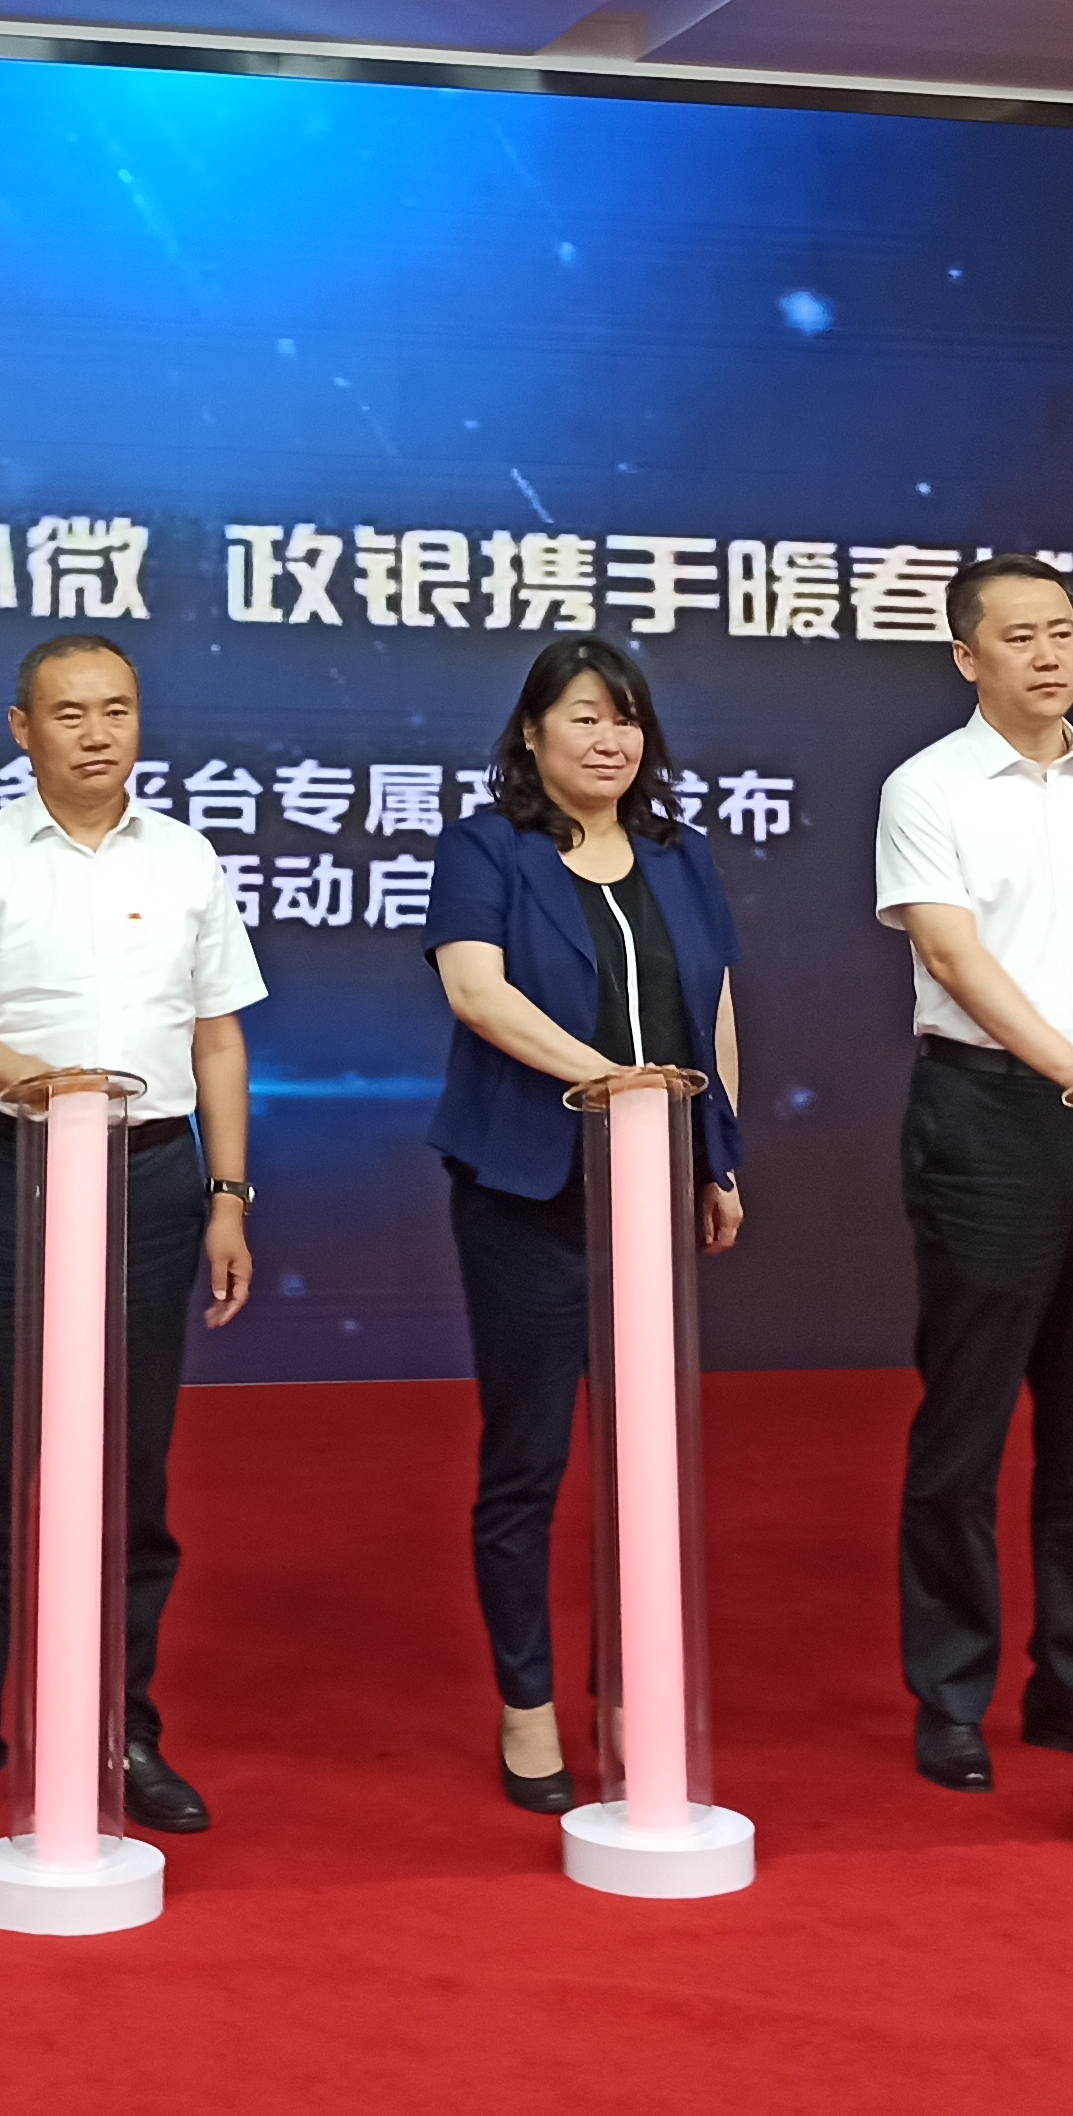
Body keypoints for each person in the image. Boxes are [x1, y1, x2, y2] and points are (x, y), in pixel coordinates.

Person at [0, 632, 261, 1843]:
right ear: (22, 729)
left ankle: (120, 1726)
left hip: (152, 1180)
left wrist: (227, 1193)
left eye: (116, 710)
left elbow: (217, 1038)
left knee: (131, 1473)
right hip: (4, 1173)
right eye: (69, 713)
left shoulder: (188, 856)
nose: (97, 733)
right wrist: (58, 1086)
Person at [879, 553, 1073, 1794]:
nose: (1049, 653)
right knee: (966, 1424)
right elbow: (953, 957)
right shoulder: (927, 786)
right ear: (967, 657)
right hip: (990, 1112)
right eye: (1019, 636)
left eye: (1061, 630)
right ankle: (950, 1695)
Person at [425, 636, 748, 1814]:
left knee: (645, 1459)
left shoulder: (678, 853)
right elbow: (476, 990)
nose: (609, 739)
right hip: (529, 1190)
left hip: (655, 1187)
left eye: (625, 719)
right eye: (583, 717)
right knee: (528, 1458)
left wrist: (717, 1152)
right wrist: (613, 1082)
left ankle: (631, 1690)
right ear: (531, 732)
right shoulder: (486, 846)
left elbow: (712, 1008)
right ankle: (526, 1702)